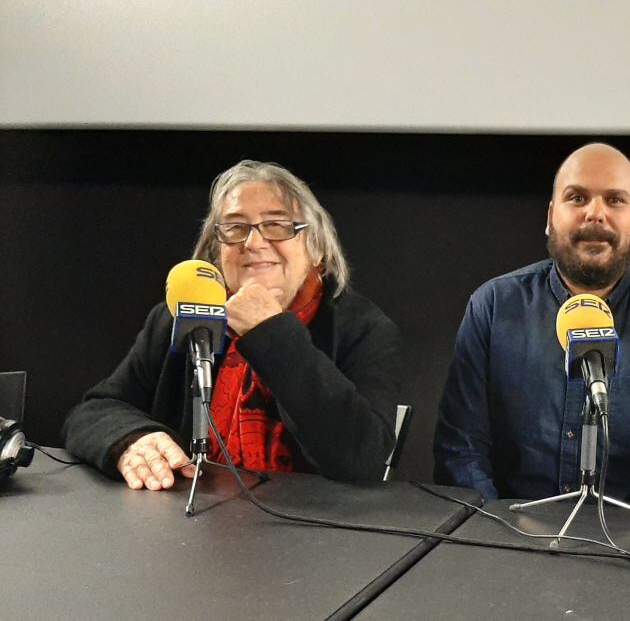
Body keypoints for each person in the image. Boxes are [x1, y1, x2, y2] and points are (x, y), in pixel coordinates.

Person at [64, 160, 402, 490]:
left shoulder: (363, 328)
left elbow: (363, 459)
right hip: (187, 521)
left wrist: (272, 332)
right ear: (216, 250)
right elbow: (94, 411)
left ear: (316, 249)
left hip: (310, 529)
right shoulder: (179, 316)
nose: (253, 243)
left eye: (277, 225)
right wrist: (132, 440)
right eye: (234, 227)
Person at [434, 142, 630, 512]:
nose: (595, 214)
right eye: (577, 197)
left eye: (615, 200)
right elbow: (460, 450)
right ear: (551, 215)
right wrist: (498, 536)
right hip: (505, 541)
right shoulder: (493, 307)